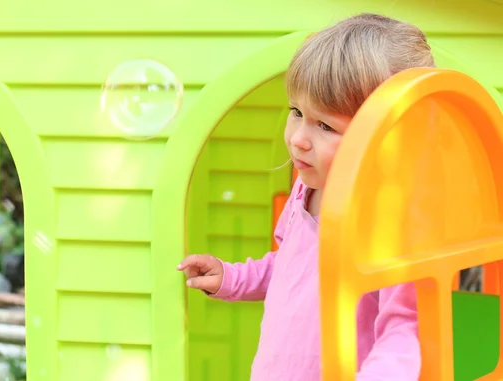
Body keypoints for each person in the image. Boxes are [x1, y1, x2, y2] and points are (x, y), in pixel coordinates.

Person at [177, 13, 435, 381]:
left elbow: (407, 330)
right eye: (296, 112)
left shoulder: (391, 223)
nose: (298, 137)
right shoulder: (305, 190)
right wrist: (233, 278)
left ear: (390, 134)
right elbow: (292, 270)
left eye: (325, 125)